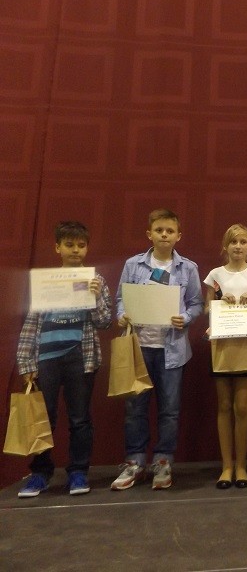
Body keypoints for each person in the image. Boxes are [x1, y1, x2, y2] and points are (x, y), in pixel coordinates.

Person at [16, 222, 112, 498]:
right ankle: (40, 472)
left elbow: (105, 321)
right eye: (69, 245)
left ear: (87, 248)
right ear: (57, 247)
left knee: (80, 418)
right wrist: (26, 362)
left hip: (80, 357)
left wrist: (96, 297)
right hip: (46, 358)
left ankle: (78, 471)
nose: (75, 250)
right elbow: (31, 322)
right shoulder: (45, 282)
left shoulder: (96, 281)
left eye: (81, 245)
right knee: (43, 418)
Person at [111, 209, 204, 490]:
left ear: (178, 236)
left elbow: (196, 304)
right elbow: (120, 299)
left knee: (169, 410)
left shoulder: (187, 268)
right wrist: (122, 315)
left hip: (172, 349)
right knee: (135, 409)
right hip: (138, 347)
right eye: (159, 230)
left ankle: (163, 461)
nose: (164, 235)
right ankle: (135, 462)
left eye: (170, 231)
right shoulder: (133, 264)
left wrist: (185, 318)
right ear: (149, 234)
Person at [204, 224, 247, 489]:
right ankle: (226, 466)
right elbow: (207, 308)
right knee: (224, 406)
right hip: (222, 346)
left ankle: (241, 466)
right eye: (233, 242)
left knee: (242, 407)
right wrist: (222, 303)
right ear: (226, 246)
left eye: (243, 242)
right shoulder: (215, 275)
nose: (238, 246)